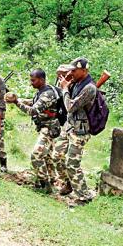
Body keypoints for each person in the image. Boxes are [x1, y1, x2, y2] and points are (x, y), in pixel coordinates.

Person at [6, 69, 61, 193]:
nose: (31, 83)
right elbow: (34, 102)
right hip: (47, 128)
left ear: (41, 80)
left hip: (49, 129)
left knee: (36, 155)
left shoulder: (47, 94)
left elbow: (33, 110)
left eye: (33, 80)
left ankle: (45, 184)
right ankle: (50, 181)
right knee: (46, 157)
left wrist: (16, 102)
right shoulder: (42, 92)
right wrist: (18, 99)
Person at [58, 58, 96, 206]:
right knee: (57, 155)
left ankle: (84, 196)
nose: (70, 73)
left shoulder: (89, 88)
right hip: (69, 127)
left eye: (74, 70)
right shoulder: (75, 82)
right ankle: (69, 183)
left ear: (84, 71)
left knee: (72, 164)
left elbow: (70, 107)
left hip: (80, 131)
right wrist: (66, 80)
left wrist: (65, 89)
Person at [51, 64, 73, 195]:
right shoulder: (59, 88)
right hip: (64, 126)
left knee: (72, 160)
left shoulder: (77, 87)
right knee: (57, 156)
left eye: (64, 75)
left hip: (76, 127)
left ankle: (79, 189)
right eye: (59, 76)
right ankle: (67, 182)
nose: (61, 78)